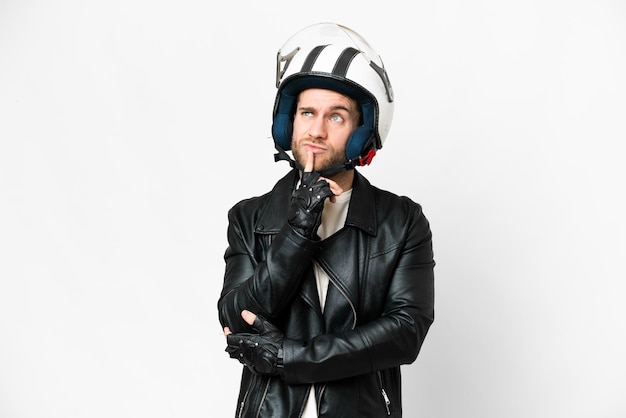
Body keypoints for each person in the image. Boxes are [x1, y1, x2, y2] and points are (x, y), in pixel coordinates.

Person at [217, 22, 435, 418]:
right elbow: (237, 319)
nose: (315, 130)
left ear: (361, 132)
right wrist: (297, 231)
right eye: (306, 113)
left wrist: (291, 358)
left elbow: (405, 332)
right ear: (289, 122)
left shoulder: (401, 220)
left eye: (336, 117)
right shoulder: (249, 217)